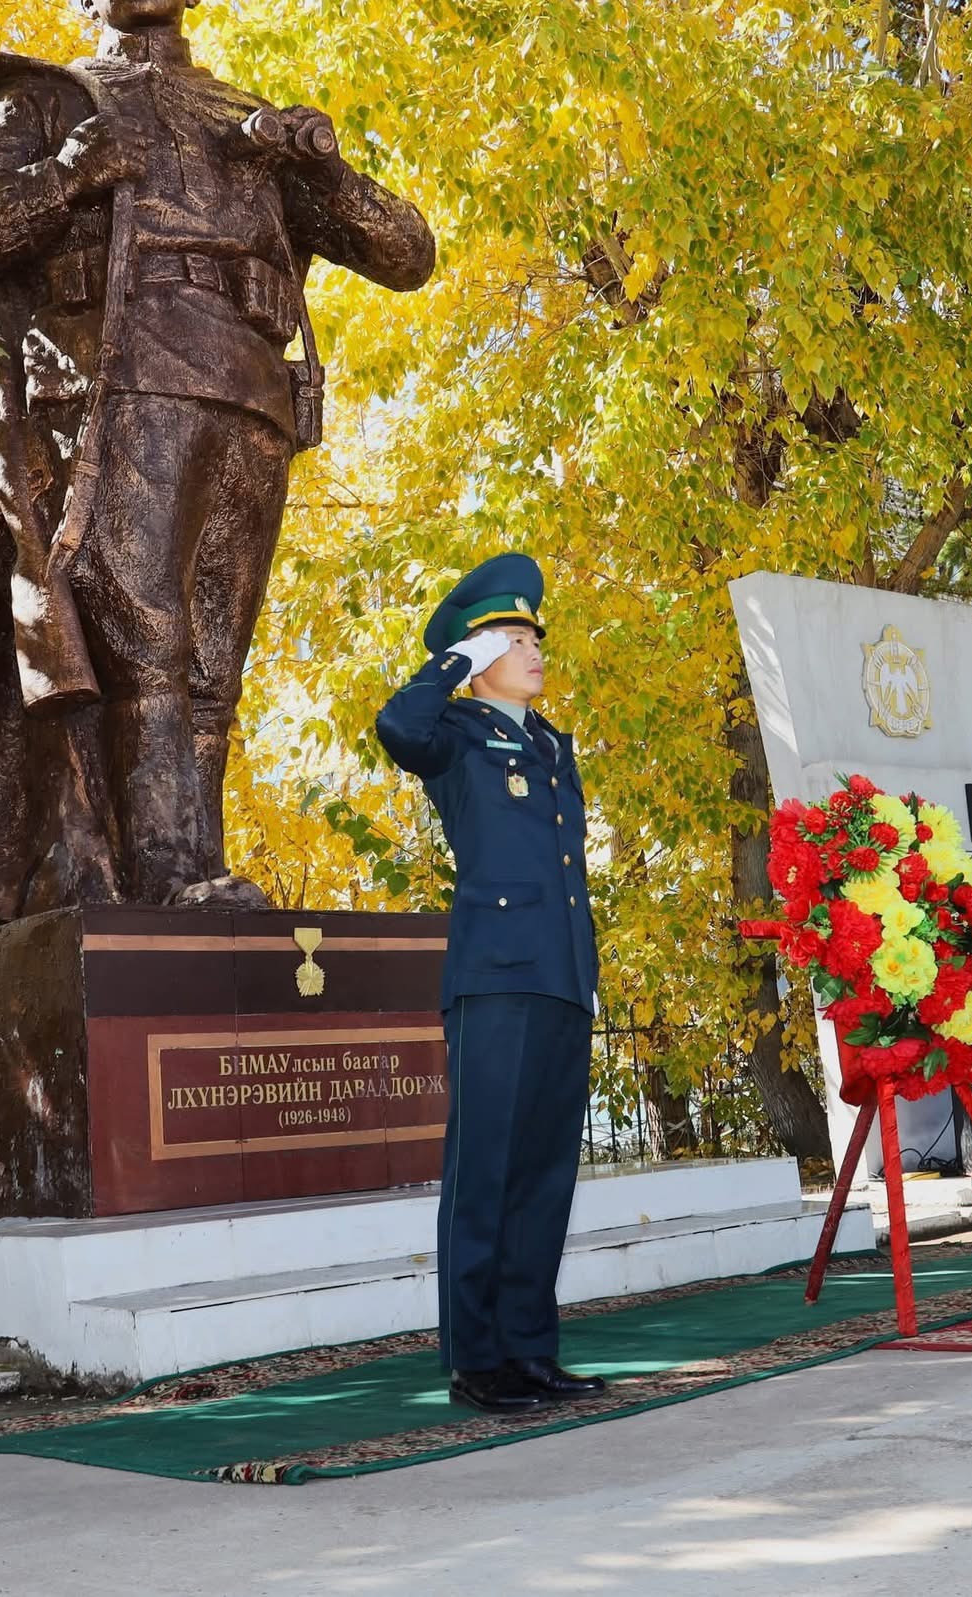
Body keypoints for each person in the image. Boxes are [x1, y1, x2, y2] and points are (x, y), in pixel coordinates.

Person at [0, 0, 436, 931]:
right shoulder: (46, 102)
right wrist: (74, 172)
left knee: (213, 658)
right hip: (119, 384)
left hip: (252, 400)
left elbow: (405, 255)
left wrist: (325, 168)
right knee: (145, 634)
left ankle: (192, 871)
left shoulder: (247, 120)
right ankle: (166, 876)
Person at [376, 553, 606, 1415]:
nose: (536, 648)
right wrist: (454, 664)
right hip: (494, 979)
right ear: (477, 658)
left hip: (557, 977)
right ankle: (478, 1360)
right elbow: (397, 727)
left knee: (545, 1175)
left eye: (535, 635)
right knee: (486, 1173)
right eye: (515, 638)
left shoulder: (551, 745)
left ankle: (531, 1351)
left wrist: (584, 973)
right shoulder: (458, 738)